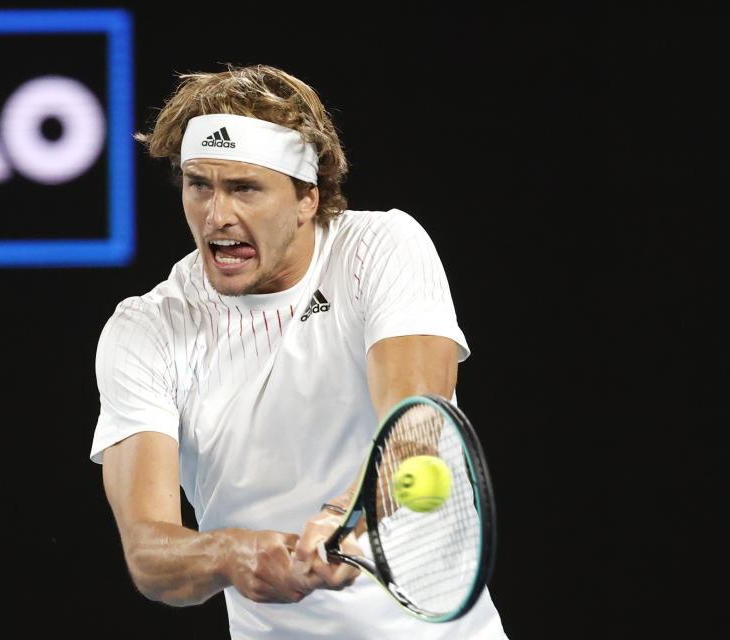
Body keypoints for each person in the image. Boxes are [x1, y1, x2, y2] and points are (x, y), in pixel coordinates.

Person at [90, 64, 507, 638]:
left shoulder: (380, 248)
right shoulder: (146, 329)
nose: (217, 216)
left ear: (308, 198)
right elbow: (150, 556)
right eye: (199, 185)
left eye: (244, 188)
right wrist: (230, 553)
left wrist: (344, 514)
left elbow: (413, 427)